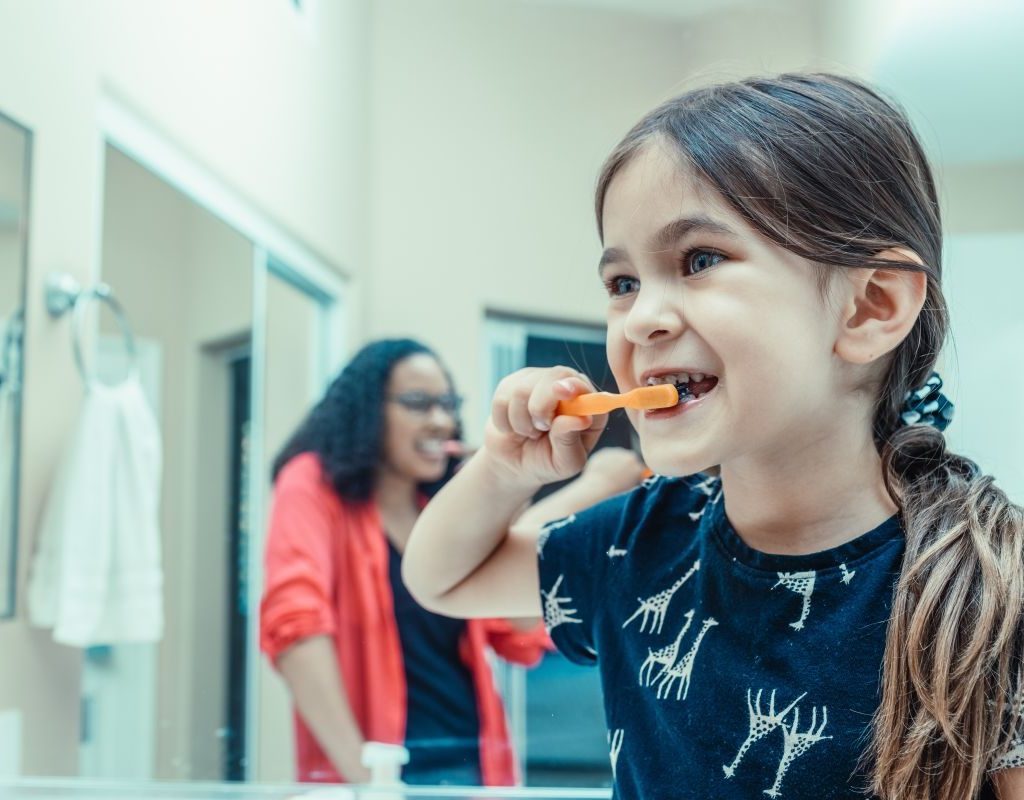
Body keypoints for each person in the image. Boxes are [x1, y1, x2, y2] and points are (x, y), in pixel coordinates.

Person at [402, 74, 1024, 800]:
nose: (639, 320)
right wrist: (505, 470)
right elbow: (440, 579)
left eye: (699, 260)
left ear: (870, 307)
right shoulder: (637, 546)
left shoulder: (990, 593)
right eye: (623, 283)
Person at [259, 338, 645, 786]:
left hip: (471, 768)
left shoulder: (436, 511)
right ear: (364, 411)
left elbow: (515, 626)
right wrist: (368, 783)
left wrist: (504, 500)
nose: (441, 421)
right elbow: (296, 629)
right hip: (378, 773)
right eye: (418, 404)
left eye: (447, 404)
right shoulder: (311, 484)